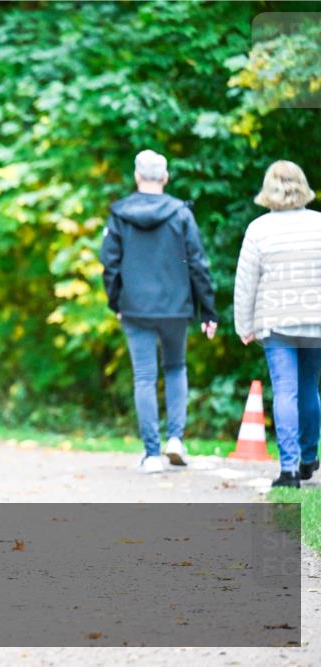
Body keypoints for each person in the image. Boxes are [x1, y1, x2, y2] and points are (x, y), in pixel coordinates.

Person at [100, 149, 218, 474]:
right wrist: (208, 311)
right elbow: (197, 264)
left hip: (135, 308)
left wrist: (116, 302)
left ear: (137, 177)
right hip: (176, 308)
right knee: (176, 369)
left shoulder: (120, 214)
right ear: (165, 178)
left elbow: (109, 265)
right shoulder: (181, 214)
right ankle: (176, 439)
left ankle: (152, 454)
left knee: (144, 376)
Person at [234, 160, 321, 489]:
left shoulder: (259, 229)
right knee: (309, 388)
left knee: (285, 390)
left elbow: (246, 283)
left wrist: (244, 325)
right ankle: (309, 458)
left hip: (277, 321)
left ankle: (287, 470)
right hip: (316, 320)